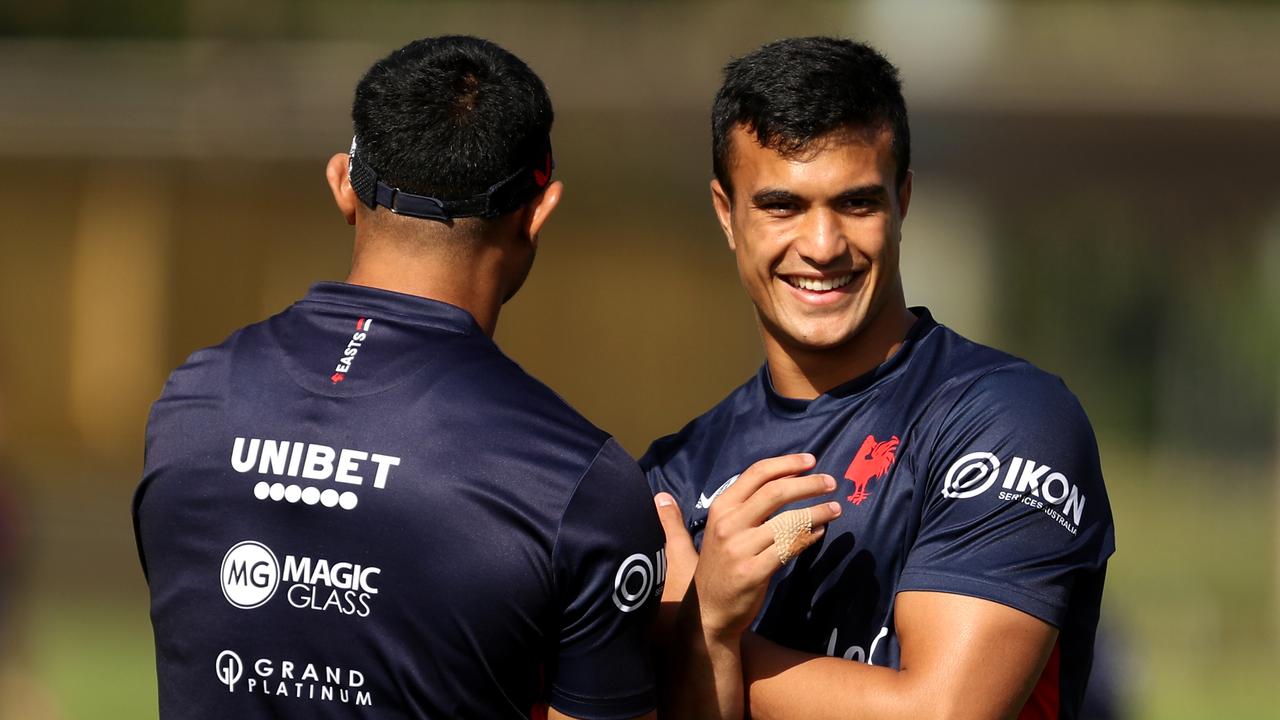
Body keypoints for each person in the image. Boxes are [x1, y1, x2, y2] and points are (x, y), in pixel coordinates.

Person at [134, 36, 664, 720]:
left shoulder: (188, 407)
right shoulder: (578, 486)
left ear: (341, 184)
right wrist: (704, 635)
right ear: (539, 213)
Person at [642, 37, 1115, 720]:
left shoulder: (1010, 420)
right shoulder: (668, 481)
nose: (823, 244)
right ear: (726, 213)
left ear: (904, 199)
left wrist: (705, 630)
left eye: (856, 203)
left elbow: (944, 712)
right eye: (782, 206)